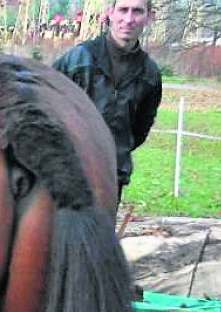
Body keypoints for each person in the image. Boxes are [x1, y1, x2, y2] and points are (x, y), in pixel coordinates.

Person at [53, 0, 162, 206]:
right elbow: (48, 109)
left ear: (149, 17)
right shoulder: (78, 59)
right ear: (110, 13)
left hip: (112, 177)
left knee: (101, 237)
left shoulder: (150, 73)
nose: (128, 19)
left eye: (137, 11)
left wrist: (116, 149)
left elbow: (140, 129)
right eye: (123, 10)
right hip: (70, 174)